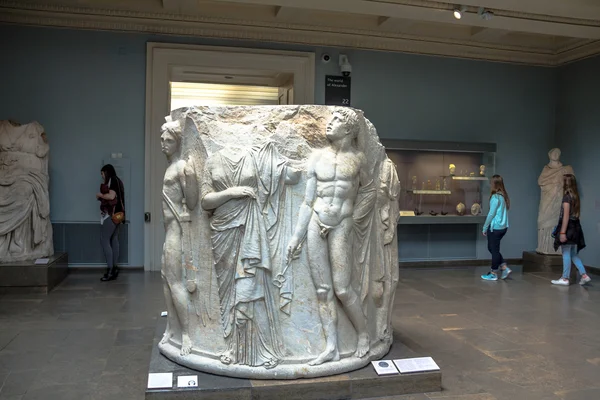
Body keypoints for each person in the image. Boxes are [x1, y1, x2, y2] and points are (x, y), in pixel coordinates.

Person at [287, 108, 370, 366]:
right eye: (330, 119)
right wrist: (297, 236)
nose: (329, 124)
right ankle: (331, 347)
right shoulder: (317, 158)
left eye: (335, 121)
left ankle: (364, 333)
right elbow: (307, 200)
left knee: (342, 288)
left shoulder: (358, 159)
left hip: (342, 224)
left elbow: (369, 191)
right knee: (323, 290)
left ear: (348, 129)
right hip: (316, 221)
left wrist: (355, 217)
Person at [551, 174, 591, 286]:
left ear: (565, 183)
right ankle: (584, 275)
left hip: (568, 228)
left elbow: (566, 216)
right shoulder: (576, 197)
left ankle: (565, 278)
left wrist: (562, 232)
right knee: (573, 254)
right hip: (576, 228)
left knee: (566, 252)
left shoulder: (567, 197)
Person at [96, 164, 125, 282]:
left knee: (104, 239)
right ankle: (115, 268)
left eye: (102, 174)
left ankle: (110, 269)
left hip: (111, 214)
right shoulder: (119, 181)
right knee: (114, 239)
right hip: (119, 214)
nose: (102, 176)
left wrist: (100, 195)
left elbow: (111, 196)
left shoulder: (112, 180)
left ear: (106, 172)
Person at [481, 175, 511, 281]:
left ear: (494, 184)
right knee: (492, 248)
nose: (490, 184)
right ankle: (504, 267)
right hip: (503, 227)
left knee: (494, 250)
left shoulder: (495, 197)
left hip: (495, 228)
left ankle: (494, 272)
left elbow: (491, 214)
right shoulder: (503, 196)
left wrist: (485, 227)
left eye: (491, 182)